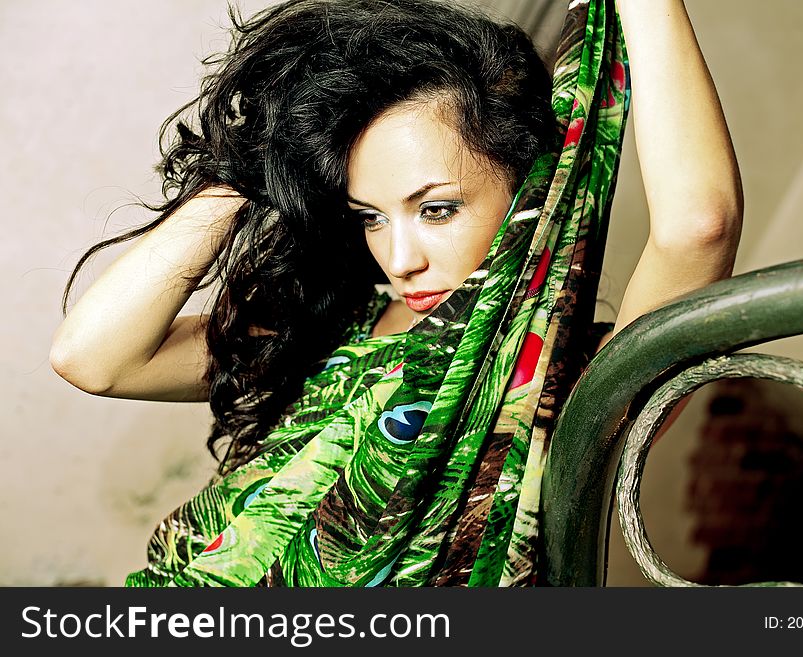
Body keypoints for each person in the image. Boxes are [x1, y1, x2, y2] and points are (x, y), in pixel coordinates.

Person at [50, 0, 742, 586]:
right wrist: (259, 161)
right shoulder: (334, 325)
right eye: (371, 217)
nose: (400, 257)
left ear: (529, 190)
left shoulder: (561, 379)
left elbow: (697, 227)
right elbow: (95, 357)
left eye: (436, 209)